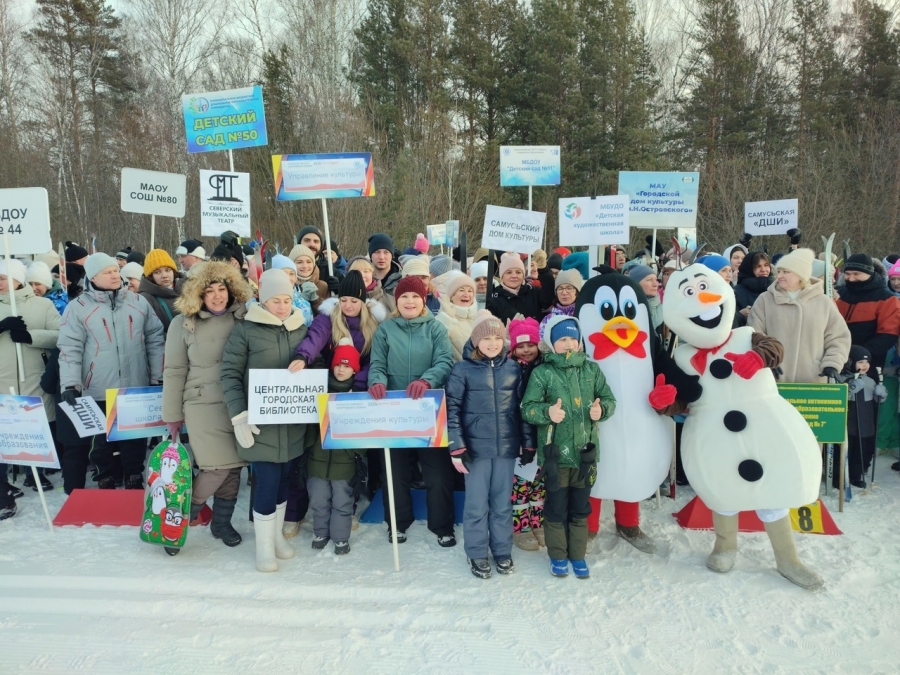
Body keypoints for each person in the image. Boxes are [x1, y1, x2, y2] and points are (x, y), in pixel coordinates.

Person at [221, 269, 310, 572]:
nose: (283, 306)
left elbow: (314, 361)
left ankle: (277, 537)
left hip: (292, 424)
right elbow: (229, 374)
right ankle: (263, 548)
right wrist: (239, 414)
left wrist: (308, 363)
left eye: (286, 300)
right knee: (267, 482)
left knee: (285, 479)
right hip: (260, 424)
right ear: (262, 298)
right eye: (276, 300)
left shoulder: (299, 326)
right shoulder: (246, 329)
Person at [163, 261, 252, 549]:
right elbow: (174, 370)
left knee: (234, 466)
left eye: (222, 289)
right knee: (215, 467)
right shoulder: (182, 323)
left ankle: (222, 523)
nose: (217, 296)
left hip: (237, 401)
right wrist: (173, 414)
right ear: (198, 295)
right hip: (201, 403)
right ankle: (177, 519)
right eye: (209, 291)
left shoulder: (245, 317)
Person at [57, 252, 164, 489]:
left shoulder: (138, 302)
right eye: (108, 272)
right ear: (93, 276)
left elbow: (155, 339)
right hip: (97, 387)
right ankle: (104, 476)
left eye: (116, 270)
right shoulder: (78, 308)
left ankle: (134, 476)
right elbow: (69, 348)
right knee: (100, 441)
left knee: (134, 439)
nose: (116, 275)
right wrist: (70, 384)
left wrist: (158, 376)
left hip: (134, 385)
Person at [520, 316, 616, 578]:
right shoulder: (542, 373)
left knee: (581, 507)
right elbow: (527, 409)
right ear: (551, 342)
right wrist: (547, 412)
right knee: (556, 506)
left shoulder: (591, 370)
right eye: (562, 339)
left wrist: (601, 410)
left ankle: (577, 554)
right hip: (555, 456)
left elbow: (609, 399)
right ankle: (558, 555)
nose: (568, 343)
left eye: (573, 338)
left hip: (585, 454)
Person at [367, 275, 456, 545]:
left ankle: (442, 526)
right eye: (404, 296)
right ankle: (397, 522)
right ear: (397, 300)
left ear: (424, 300)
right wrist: (377, 382)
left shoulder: (436, 328)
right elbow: (377, 364)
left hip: (427, 409)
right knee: (394, 472)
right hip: (393, 410)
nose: (409, 301)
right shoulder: (386, 329)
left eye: (415, 296)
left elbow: (445, 360)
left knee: (437, 473)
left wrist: (427, 380)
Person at [446, 312, 535, 579]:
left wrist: (528, 443)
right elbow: (451, 410)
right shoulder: (462, 370)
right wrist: (456, 446)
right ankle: (476, 552)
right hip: (475, 452)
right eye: (487, 338)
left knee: (501, 504)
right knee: (476, 506)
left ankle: (502, 551)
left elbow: (522, 410)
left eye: (498, 337)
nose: (493, 343)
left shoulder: (513, 369)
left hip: (506, 450)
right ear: (476, 341)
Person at [0, 259, 61, 492]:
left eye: (3, 278)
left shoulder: (42, 304)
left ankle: (33, 473)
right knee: (5, 429)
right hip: (3, 377)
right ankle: (3, 482)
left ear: (17, 279)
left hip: (34, 374)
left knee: (35, 425)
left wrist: (30, 336)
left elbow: (59, 334)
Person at [748, 248, 851, 384]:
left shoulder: (823, 302)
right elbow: (753, 334)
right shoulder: (765, 300)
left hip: (813, 380)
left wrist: (832, 364)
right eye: (778, 271)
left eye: (786, 271)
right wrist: (765, 359)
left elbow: (838, 338)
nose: (779, 276)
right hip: (773, 380)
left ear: (800, 274)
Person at [306, 338, 367, 555]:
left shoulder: (359, 396)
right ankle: (321, 532)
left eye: (347, 365)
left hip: (344, 461)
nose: (342, 369)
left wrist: (354, 452)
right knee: (319, 500)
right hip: (317, 460)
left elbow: (365, 430)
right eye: (339, 365)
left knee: (343, 501)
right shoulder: (317, 389)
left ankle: (341, 537)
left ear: (355, 370)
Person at [507, 317, 544, 551]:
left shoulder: (544, 368)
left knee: (539, 484)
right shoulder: (510, 370)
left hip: (541, 435)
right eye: (520, 346)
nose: (526, 349)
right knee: (520, 485)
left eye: (530, 344)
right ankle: (520, 527)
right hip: (520, 438)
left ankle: (537, 521)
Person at [836, 253, 900, 369]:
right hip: (837, 357)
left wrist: (861, 354)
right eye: (847, 274)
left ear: (869, 273)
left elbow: (888, 334)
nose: (851, 278)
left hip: (868, 362)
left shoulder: (887, 299)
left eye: (856, 274)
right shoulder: (838, 294)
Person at [839, 347, 887, 488]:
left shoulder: (870, 381)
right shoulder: (841, 379)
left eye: (867, 362)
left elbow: (877, 401)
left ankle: (856, 474)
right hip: (849, 422)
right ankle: (839, 476)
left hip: (865, 421)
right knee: (847, 449)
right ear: (850, 362)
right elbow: (838, 399)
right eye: (860, 362)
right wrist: (849, 389)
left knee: (863, 449)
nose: (864, 366)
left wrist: (881, 395)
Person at [486, 252, 555, 323]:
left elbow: (549, 295)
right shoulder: (494, 301)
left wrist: (543, 269)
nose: (514, 276)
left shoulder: (533, 292)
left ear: (523, 275)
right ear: (502, 277)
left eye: (518, 272)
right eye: (509, 272)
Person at [435, 273, 479, 361]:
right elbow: (434, 341)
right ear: (452, 296)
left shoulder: (479, 318)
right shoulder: (443, 318)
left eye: (470, 291)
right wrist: (447, 317)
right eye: (461, 290)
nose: (466, 295)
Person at [139, 249, 183, 334]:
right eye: (157, 272)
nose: (164, 276)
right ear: (150, 276)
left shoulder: (190, 288)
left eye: (167, 270)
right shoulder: (145, 299)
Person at [271, 254, 314, 325]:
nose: (288, 278)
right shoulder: (264, 302)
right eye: (283, 273)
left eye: (292, 273)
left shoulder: (305, 304)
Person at [539, 269, 583, 339]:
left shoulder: (583, 315)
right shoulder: (548, 319)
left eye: (569, 288)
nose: (564, 293)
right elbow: (543, 343)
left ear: (576, 291)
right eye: (560, 289)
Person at [734, 251, 773, 323]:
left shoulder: (776, 288)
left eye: (766, 265)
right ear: (749, 269)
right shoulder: (737, 292)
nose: (763, 270)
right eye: (758, 266)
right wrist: (740, 315)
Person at [288, 244, 329, 308]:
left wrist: (316, 300)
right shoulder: (286, 286)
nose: (305, 266)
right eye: (299, 262)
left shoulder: (322, 286)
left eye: (309, 262)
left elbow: (329, 315)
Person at [625, 265, 664, 332]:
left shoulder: (661, 306)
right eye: (649, 280)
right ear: (636, 283)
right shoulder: (628, 307)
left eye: (656, 280)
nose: (655, 284)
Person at [368, 233, 402, 305]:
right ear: (370, 255)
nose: (381, 257)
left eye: (386, 252)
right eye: (377, 252)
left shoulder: (402, 281)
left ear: (392, 255)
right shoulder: (361, 280)